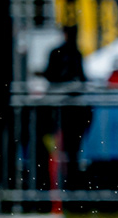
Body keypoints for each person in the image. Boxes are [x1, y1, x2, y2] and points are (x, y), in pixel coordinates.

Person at [40, 27, 94, 191]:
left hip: (69, 112)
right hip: (60, 112)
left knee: (69, 153)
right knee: (59, 152)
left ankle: (68, 186)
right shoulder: (65, 53)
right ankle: (61, 186)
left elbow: (79, 79)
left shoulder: (74, 53)